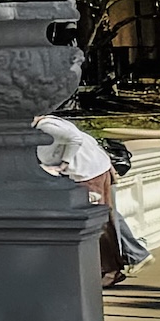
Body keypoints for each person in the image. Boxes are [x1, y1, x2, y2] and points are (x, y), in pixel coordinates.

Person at [35, 112, 131, 283]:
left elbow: (75, 138)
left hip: (87, 174)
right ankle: (113, 266)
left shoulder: (45, 126)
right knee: (105, 220)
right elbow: (86, 138)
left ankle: (110, 270)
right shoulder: (52, 122)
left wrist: (63, 164)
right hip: (95, 169)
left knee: (98, 223)